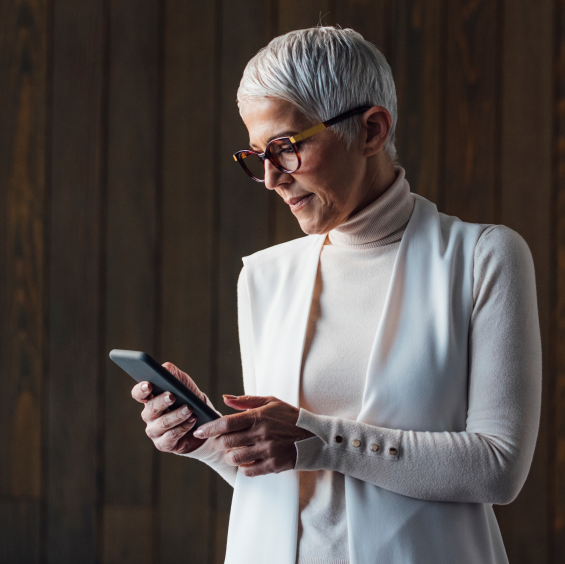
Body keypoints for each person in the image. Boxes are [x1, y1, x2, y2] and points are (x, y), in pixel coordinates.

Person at [130, 26, 541, 564]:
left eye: (285, 147)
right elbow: (298, 487)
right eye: (257, 155)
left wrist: (318, 437)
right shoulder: (264, 276)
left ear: (371, 131)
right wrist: (212, 440)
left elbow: (498, 466)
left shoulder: (485, 258)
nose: (273, 177)